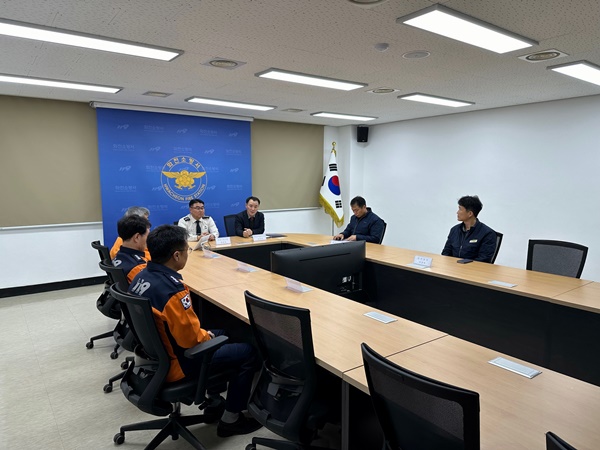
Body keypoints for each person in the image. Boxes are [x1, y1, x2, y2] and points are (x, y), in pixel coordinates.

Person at [128, 225, 262, 437]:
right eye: (187, 250)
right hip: (180, 362)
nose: (187, 254)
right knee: (248, 352)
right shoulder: (173, 291)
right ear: (176, 255)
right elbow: (191, 341)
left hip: (155, 357)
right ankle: (231, 419)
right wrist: (208, 336)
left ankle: (214, 400)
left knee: (224, 332)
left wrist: (209, 335)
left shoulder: (140, 277)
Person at [441, 195, 497, 263]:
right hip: (453, 267)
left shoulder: (488, 234)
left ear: (470, 213)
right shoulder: (454, 230)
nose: (457, 212)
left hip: (472, 268)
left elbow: (483, 260)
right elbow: (445, 253)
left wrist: (462, 264)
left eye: (460, 209)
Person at [112, 215, 151, 283]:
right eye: (147, 236)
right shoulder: (138, 267)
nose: (148, 240)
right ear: (137, 237)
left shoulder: (118, 256)